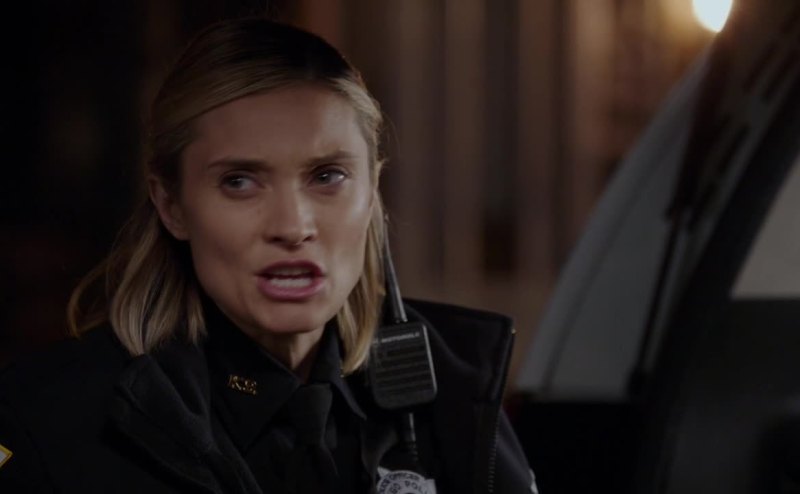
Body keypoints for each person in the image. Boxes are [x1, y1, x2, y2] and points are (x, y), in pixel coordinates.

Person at [0, 17, 538, 494]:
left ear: (373, 188)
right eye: (239, 181)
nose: (292, 227)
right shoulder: (45, 419)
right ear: (171, 205)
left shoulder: (455, 393)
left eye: (328, 176)